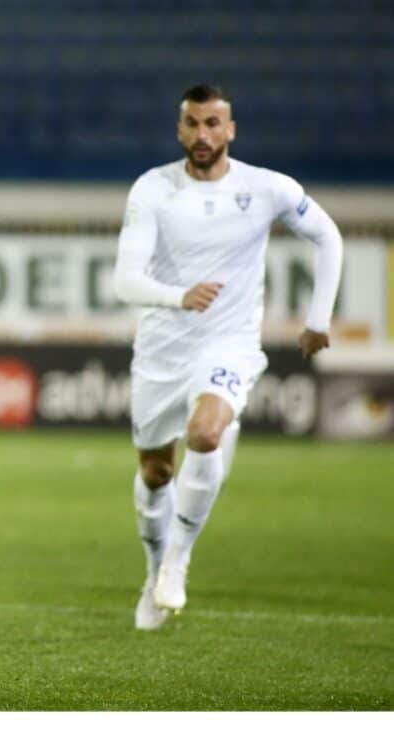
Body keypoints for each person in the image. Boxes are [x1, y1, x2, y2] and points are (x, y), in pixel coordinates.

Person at [113, 84, 343, 631]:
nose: (202, 134)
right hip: (163, 347)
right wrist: (179, 296)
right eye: (193, 123)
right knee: (155, 471)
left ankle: (178, 559)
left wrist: (318, 319)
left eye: (213, 123)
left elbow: (327, 237)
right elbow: (125, 280)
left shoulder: (265, 188)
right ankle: (154, 570)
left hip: (229, 343)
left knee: (207, 433)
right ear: (179, 129)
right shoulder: (154, 189)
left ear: (230, 129)